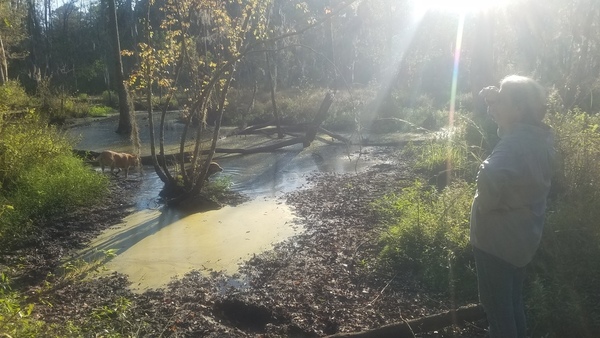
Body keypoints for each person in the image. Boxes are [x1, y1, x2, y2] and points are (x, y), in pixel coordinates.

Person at [470, 75, 555, 338]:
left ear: (519, 109)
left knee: (498, 313)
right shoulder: (539, 137)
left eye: (500, 103)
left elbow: (489, 174)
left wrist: (486, 206)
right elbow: (508, 126)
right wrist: (498, 99)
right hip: (522, 240)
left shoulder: (514, 144)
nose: (493, 108)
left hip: (496, 243)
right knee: (513, 304)